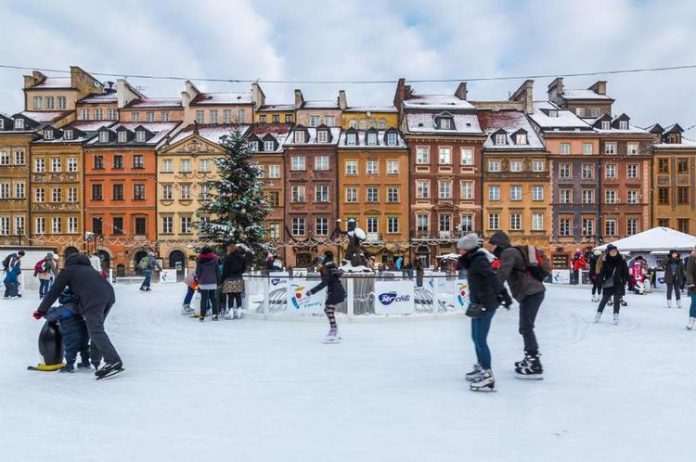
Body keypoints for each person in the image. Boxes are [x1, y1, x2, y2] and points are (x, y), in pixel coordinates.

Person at [33, 253, 122, 379]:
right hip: (109, 296)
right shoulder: (90, 270)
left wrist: (41, 310)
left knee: (95, 330)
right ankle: (95, 360)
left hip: (92, 299)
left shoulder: (68, 271)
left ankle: (113, 361)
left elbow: (54, 291)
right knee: (97, 329)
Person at [488, 231, 546, 379]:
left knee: (526, 327)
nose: (490, 249)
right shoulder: (510, 252)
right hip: (531, 292)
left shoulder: (508, 252)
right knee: (525, 327)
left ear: (498, 244)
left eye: (492, 245)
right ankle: (530, 358)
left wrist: (491, 292)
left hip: (531, 292)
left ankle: (534, 362)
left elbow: (502, 274)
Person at [457, 234, 506, 392]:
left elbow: (492, 278)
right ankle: (481, 366)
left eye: (462, 249)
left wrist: (504, 294)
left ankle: (488, 375)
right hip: (477, 304)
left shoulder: (479, 261)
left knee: (481, 339)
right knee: (474, 337)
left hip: (487, 304)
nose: (460, 253)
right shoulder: (472, 261)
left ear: (469, 249)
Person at [43, 289, 91, 373]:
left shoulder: (65, 309)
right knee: (84, 347)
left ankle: (69, 366)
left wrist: (45, 311)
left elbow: (51, 316)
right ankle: (85, 362)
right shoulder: (78, 305)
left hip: (71, 333)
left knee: (70, 349)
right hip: (84, 330)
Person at [306, 251, 346, 343]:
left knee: (329, 310)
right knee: (327, 310)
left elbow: (324, 283)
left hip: (336, 292)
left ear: (322, 264)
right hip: (336, 292)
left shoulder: (327, 271)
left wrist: (312, 291)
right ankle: (335, 328)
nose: (316, 267)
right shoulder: (329, 270)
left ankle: (334, 330)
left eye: (317, 265)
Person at [595, 244, 630, 325]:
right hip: (608, 282)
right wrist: (600, 280)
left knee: (616, 300)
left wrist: (630, 281)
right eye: (612, 251)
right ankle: (598, 314)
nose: (613, 252)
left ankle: (616, 316)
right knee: (604, 300)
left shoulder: (621, 259)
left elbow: (625, 271)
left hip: (618, 283)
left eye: (615, 251)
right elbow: (602, 271)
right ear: (609, 252)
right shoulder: (605, 260)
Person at [220, 243, 247, 320]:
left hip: (229, 279)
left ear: (229, 250)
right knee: (238, 295)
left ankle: (231, 313)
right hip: (238, 278)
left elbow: (225, 270)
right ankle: (239, 312)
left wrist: (222, 279)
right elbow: (244, 268)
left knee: (230, 296)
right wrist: (239, 273)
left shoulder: (227, 258)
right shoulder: (241, 257)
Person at [194, 247, 220, 322]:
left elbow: (197, 272)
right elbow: (217, 271)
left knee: (204, 299)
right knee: (213, 298)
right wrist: (218, 281)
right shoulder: (215, 260)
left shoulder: (200, 260)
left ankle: (202, 315)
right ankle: (215, 314)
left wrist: (198, 278)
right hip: (213, 281)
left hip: (203, 281)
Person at [686, 246, 696, 330]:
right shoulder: (692, 258)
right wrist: (691, 283)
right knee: (694, 303)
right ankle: (691, 321)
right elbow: (689, 272)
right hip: (695, 285)